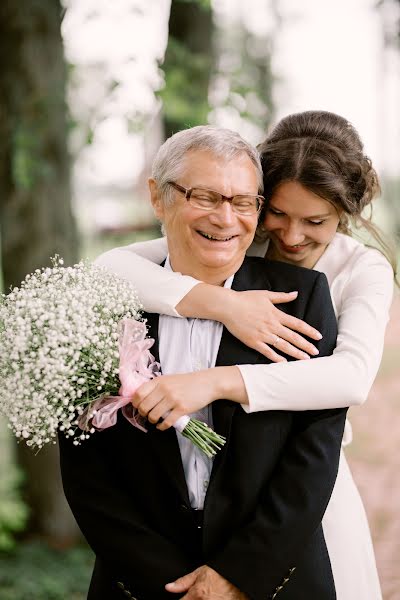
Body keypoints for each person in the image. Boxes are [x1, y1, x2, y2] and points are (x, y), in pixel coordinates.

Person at [96, 111, 396, 600]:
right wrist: (224, 305)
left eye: (315, 221)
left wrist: (215, 381)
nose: (291, 236)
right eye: (278, 213)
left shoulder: (361, 269)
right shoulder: (235, 232)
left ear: (347, 213)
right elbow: (109, 267)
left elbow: (351, 378)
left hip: (296, 481)